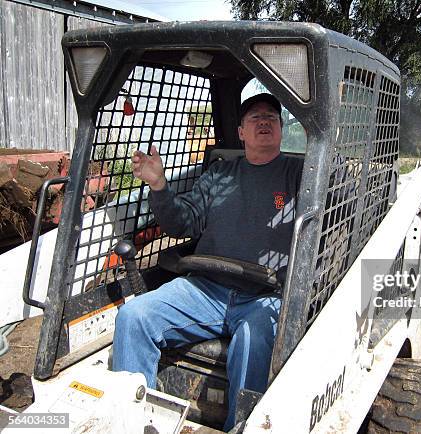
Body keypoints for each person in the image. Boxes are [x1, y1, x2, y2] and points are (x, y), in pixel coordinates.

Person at [112, 93, 303, 431]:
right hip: (205, 289)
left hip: (264, 297)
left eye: (271, 118)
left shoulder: (299, 174)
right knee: (133, 316)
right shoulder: (220, 175)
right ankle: (130, 423)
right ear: (241, 132)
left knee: (251, 340)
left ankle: (241, 426)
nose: (263, 122)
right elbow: (182, 222)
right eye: (254, 117)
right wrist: (159, 185)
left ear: (280, 130)